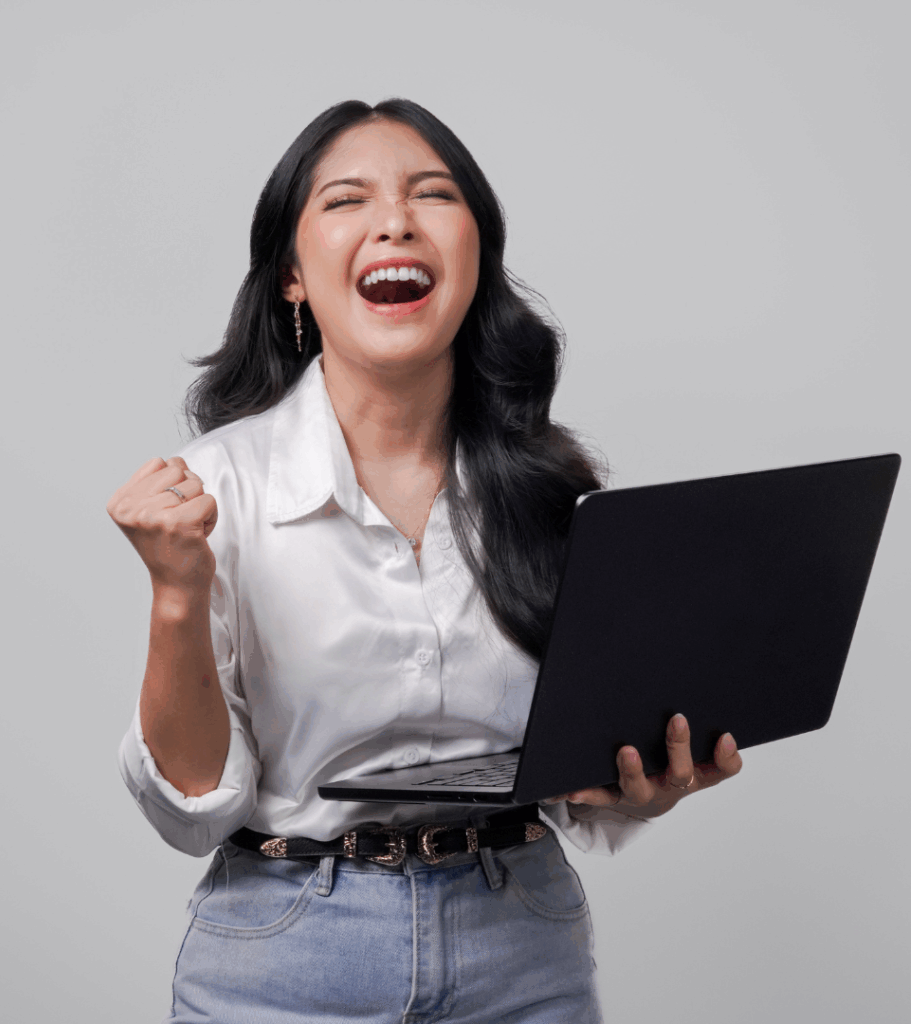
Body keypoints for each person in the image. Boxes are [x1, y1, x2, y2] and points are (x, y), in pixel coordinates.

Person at [107, 98, 743, 1024]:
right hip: (286, 956)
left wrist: (644, 781)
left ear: (475, 254)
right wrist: (176, 592)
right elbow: (193, 810)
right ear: (292, 275)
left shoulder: (553, 488)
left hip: (521, 942)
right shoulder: (217, 488)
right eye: (346, 200)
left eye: (431, 194)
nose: (394, 220)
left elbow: (582, 784)